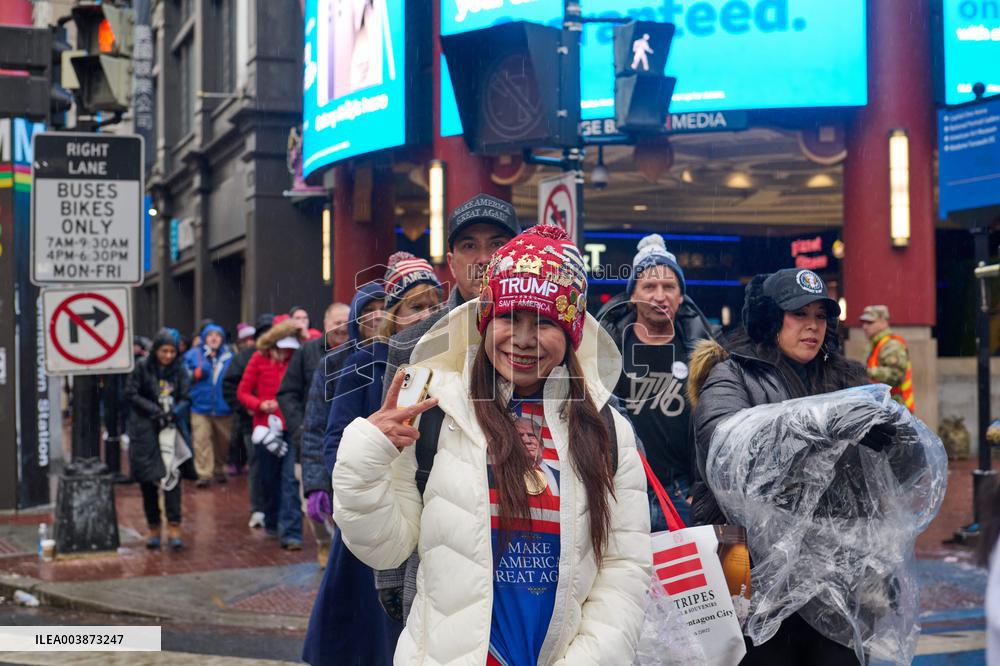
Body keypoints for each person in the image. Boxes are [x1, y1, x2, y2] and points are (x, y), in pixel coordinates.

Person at [332, 225, 651, 664]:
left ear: (573, 333)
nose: (523, 339)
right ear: (485, 318)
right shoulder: (436, 408)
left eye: (545, 322)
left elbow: (625, 568)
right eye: (509, 317)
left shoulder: (608, 430)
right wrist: (368, 451)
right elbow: (383, 546)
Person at [687, 268, 873, 664]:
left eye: (820, 316)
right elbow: (722, 444)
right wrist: (819, 426)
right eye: (798, 315)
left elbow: (879, 476)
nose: (812, 327)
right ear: (771, 319)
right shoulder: (731, 372)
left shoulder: (847, 380)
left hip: (829, 565)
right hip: (745, 561)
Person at [375, 192, 521, 613]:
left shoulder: (551, 338)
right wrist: (389, 570)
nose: (483, 257)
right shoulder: (412, 345)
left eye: (497, 244)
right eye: (469, 245)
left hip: (530, 543)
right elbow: (393, 457)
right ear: (451, 261)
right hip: (438, 548)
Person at [302, 254, 441, 666]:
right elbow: (333, 437)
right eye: (416, 306)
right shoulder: (364, 363)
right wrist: (355, 482)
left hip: (436, 514)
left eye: (435, 304)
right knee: (375, 636)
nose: (428, 314)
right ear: (394, 315)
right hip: (378, 517)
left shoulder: (457, 362)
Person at [597, 233, 716, 528]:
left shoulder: (700, 350)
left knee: (686, 575)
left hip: (682, 493)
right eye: (649, 286)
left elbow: (714, 425)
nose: (659, 296)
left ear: (680, 295)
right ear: (633, 294)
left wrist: (700, 489)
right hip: (621, 491)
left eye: (668, 286)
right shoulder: (609, 347)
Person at [302, 286, 385, 568]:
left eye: (383, 308)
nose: (376, 316)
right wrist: (316, 484)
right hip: (347, 478)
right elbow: (316, 426)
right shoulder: (334, 365)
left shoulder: (405, 356)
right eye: (368, 310)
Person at [277, 302, 350, 561]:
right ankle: (323, 543)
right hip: (311, 437)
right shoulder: (308, 352)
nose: (342, 327)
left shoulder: (361, 351)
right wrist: (300, 427)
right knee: (313, 500)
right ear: (326, 325)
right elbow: (287, 393)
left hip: (346, 440)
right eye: (336, 322)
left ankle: (341, 551)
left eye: (347, 320)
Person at [237, 318, 304, 549]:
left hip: (292, 427)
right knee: (268, 478)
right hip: (265, 429)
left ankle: (292, 533)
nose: (287, 353)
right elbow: (243, 392)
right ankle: (272, 521)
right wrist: (259, 404)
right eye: (284, 348)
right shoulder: (258, 358)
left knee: (289, 480)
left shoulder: (298, 359)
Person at [125, 329, 193, 550]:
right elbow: (132, 394)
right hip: (145, 431)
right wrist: (155, 410)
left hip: (172, 430)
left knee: (173, 479)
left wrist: (174, 413)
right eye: (164, 351)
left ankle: (174, 527)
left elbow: (186, 396)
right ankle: (153, 527)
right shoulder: (142, 367)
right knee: (148, 482)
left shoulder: (180, 370)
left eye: (172, 351)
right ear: (156, 350)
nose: (168, 356)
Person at [224, 314, 274, 527]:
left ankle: (275, 508)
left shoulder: (287, 355)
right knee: (257, 465)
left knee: (280, 469)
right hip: (251, 423)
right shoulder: (245, 358)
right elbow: (229, 388)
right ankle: (259, 508)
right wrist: (247, 409)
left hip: (282, 422)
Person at [185, 323, 235, 487]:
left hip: (223, 407)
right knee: (201, 440)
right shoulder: (193, 355)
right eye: (210, 335)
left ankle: (219, 469)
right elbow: (183, 375)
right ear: (205, 338)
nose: (214, 338)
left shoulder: (229, 357)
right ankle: (204, 474)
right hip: (200, 406)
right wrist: (194, 374)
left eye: (218, 335)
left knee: (223, 442)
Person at [861, 304, 914, 412]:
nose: (864, 327)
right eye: (863, 323)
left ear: (883, 323)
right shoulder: (875, 345)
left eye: (870, 322)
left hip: (897, 408)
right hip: (884, 405)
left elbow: (895, 376)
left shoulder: (892, 345)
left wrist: (865, 371)